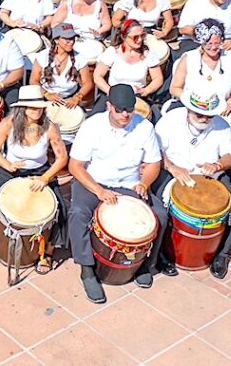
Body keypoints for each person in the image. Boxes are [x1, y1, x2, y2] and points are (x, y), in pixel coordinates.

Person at [68, 84, 169, 304]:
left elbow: (154, 163)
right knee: (77, 213)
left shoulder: (145, 128)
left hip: (129, 184)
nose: (125, 114)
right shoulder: (92, 126)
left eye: (129, 110)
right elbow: (75, 166)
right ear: (109, 106)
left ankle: (145, 263)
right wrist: (99, 191)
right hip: (95, 182)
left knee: (159, 215)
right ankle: (86, 269)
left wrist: (144, 183)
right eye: (120, 109)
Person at [153, 90, 231, 278]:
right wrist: (172, 167)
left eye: (208, 115)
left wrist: (218, 164)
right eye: (199, 114)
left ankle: (223, 254)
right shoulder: (170, 121)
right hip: (174, 171)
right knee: (160, 205)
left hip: (210, 175)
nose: (204, 118)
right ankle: (162, 252)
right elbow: (155, 150)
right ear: (188, 109)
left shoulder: (222, 126)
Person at [0, 85, 69, 272]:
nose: (37, 110)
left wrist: (45, 178)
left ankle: (49, 252)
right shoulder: (8, 124)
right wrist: (8, 165)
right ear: (23, 108)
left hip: (40, 171)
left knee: (62, 209)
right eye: (33, 107)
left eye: (40, 107)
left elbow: (62, 158)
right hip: (10, 169)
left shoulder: (50, 128)